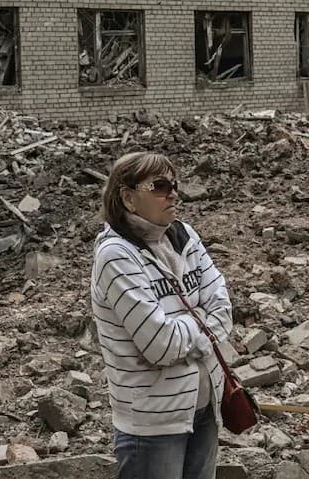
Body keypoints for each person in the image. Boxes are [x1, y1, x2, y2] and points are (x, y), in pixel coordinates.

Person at [91, 151, 233, 479]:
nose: (173, 194)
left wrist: (183, 328)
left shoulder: (185, 235)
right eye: (159, 186)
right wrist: (201, 325)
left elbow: (224, 310)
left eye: (174, 185)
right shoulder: (116, 256)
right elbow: (160, 344)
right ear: (128, 198)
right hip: (153, 424)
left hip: (205, 408)